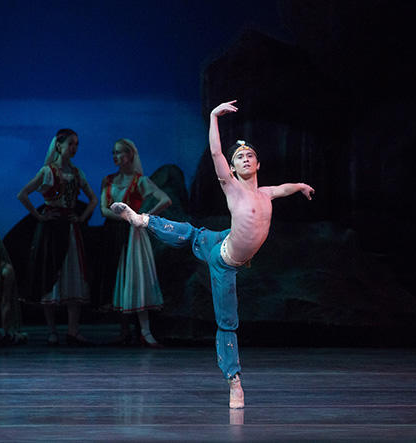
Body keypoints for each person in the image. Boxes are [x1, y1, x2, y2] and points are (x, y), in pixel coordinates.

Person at [111, 100, 315, 408]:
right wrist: (213, 117)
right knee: (227, 320)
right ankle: (235, 383)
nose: (245, 159)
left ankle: (145, 221)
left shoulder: (265, 193)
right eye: (240, 158)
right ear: (232, 169)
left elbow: (282, 188)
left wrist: (299, 185)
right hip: (224, 258)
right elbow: (217, 153)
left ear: (258, 165)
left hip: (223, 240)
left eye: (250, 156)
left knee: (195, 235)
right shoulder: (232, 188)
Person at [17, 129, 98, 346]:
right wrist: (39, 216)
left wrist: (80, 218)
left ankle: (73, 330)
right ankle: (52, 331)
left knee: (72, 276)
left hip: (70, 228)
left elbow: (93, 200)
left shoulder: (77, 172)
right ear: (59, 145)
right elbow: (23, 194)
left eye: (76, 144)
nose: (74, 148)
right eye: (71, 143)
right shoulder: (48, 171)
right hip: (52, 230)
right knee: (50, 275)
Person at [97, 138, 171, 347]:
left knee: (135, 278)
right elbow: (103, 209)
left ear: (130, 155)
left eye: (120, 152)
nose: (116, 156)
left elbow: (165, 199)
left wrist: (144, 216)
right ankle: (124, 330)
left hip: (132, 234)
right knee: (117, 279)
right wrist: (125, 217)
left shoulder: (140, 180)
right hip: (113, 232)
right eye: (114, 152)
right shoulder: (108, 180)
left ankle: (145, 331)